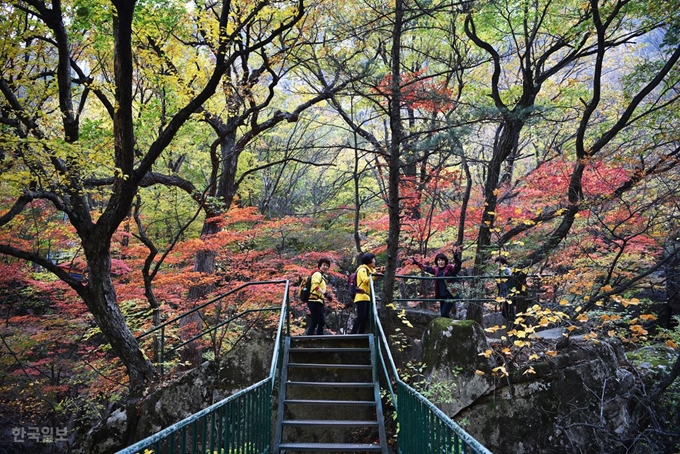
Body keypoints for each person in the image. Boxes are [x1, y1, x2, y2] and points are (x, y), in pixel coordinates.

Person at [412, 249, 462, 318]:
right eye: (439, 260)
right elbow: (426, 268)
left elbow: (457, 268)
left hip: (450, 294)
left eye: (442, 260)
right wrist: (417, 263)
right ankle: (449, 327)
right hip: (442, 295)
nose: (440, 262)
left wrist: (457, 260)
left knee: (444, 314)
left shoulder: (449, 268)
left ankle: (451, 327)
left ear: (445, 261)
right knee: (443, 315)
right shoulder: (436, 270)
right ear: (437, 262)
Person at [350, 253, 381, 334]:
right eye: (373, 259)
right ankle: (353, 333)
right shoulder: (362, 269)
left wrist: (375, 274)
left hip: (366, 297)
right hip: (361, 296)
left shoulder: (369, 270)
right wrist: (375, 274)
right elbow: (365, 280)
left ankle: (361, 333)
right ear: (369, 260)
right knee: (360, 316)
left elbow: (371, 278)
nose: (374, 261)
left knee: (365, 317)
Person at [306, 258, 333, 335]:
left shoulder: (322, 276)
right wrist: (325, 294)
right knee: (315, 321)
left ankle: (319, 337)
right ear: (320, 266)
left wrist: (325, 295)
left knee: (321, 322)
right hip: (314, 301)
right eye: (324, 265)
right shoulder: (317, 274)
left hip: (319, 301)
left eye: (327, 266)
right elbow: (315, 286)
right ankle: (308, 338)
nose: (326, 267)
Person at [495, 256, 514, 321]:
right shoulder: (499, 271)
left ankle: (512, 324)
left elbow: (509, 277)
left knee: (508, 311)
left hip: (507, 293)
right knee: (506, 312)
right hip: (503, 293)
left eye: (498, 263)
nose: (497, 265)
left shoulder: (506, 270)